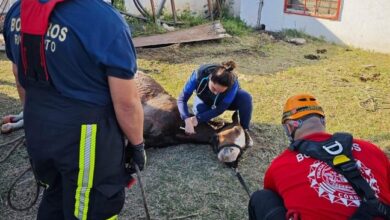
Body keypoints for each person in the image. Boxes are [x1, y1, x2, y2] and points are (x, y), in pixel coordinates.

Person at [3, 0, 146, 219]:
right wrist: (137, 145)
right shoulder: (105, 21)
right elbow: (126, 103)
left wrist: (35, 118)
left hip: (38, 128)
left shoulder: (18, 11)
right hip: (85, 138)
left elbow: (19, 77)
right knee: (94, 208)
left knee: (56, 194)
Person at [248, 93, 390, 220]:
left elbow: (274, 194)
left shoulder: (280, 165)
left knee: (262, 198)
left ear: (290, 127)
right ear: (323, 121)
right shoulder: (371, 149)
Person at [177, 61, 254, 147]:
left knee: (246, 97)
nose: (215, 93)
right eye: (214, 88)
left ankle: (245, 129)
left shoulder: (233, 84)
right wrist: (187, 119)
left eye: (220, 91)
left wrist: (198, 119)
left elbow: (220, 109)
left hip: (224, 103)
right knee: (200, 116)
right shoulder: (198, 75)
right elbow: (182, 99)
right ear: (210, 78)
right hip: (205, 99)